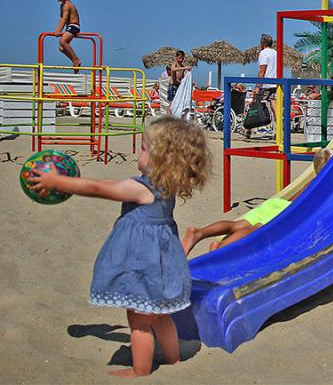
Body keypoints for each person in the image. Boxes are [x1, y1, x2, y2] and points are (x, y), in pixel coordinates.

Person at [28, 116, 212, 377]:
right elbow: (105, 186)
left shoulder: (143, 189)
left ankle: (140, 371)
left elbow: (98, 188)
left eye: (144, 149)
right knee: (160, 316)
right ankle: (173, 360)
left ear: (160, 160)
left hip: (143, 266)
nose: (139, 152)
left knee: (139, 323)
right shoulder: (167, 186)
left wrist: (57, 183)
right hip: (160, 265)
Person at [181, 148, 333, 254]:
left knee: (237, 225)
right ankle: (222, 246)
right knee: (257, 228)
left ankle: (200, 232)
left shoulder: (312, 180)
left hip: (276, 204)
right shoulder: (326, 184)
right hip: (285, 210)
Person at [245, 34, 278, 138]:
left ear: (263, 43)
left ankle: (249, 130)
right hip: (275, 83)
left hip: (265, 84)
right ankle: (280, 130)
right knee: (274, 105)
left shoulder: (263, 53)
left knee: (254, 103)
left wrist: (257, 86)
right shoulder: (276, 53)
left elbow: (262, 71)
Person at [52, 0, 82, 73]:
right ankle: (74, 60)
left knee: (62, 41)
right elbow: (61, 18)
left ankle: (76, 59)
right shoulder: (62, 5)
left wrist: (59, 31)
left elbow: (64, 19)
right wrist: (57, 30)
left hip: (74, 26)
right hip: (69, 27)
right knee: (61, 48)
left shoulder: (67, 5)